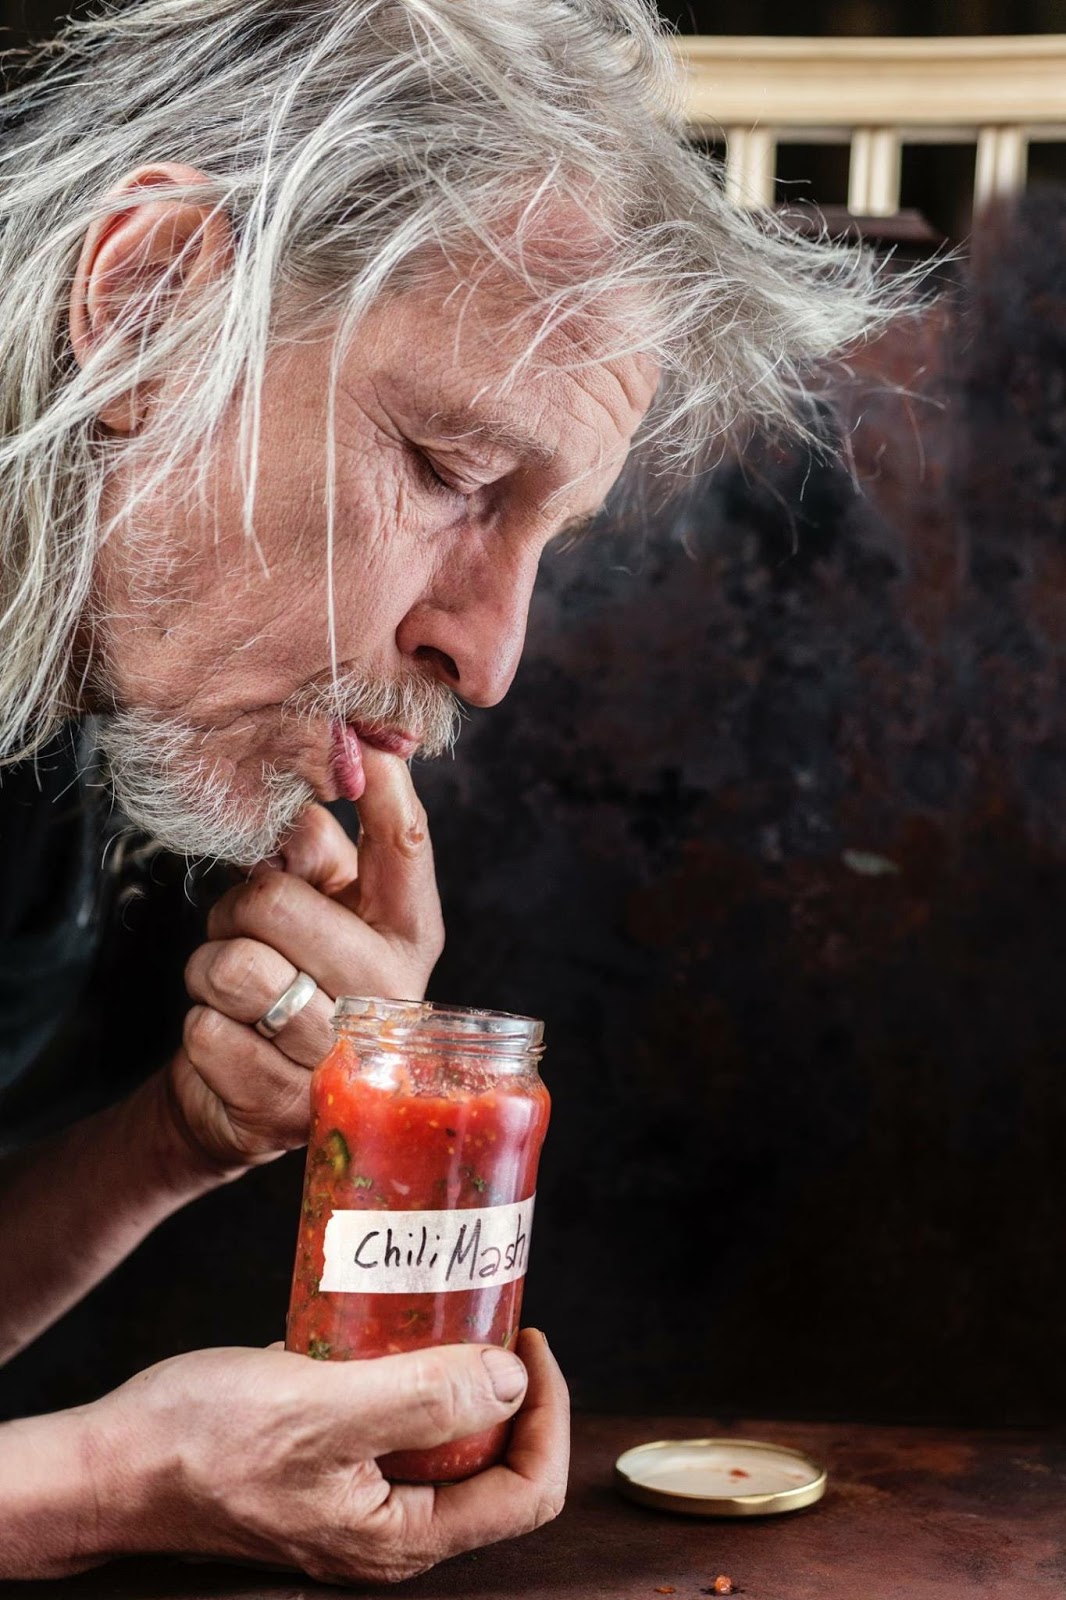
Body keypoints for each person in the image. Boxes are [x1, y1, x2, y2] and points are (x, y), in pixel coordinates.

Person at [0, 0, 894, 1583]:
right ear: (144, 305)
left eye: (545, 534)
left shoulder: (72, 709)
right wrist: (101, 1487)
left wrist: (179, 1138)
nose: (487, 659)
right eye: (453, 474)